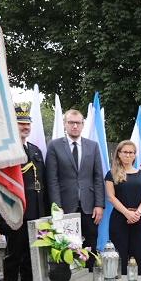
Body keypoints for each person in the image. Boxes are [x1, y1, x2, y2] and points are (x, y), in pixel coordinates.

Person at [3, 105, 48, 281]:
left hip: (36, 210)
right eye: (21, 123)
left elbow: (43, 183)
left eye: (28, 123)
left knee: (32, 254)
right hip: (17, 210)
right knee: (15, 254)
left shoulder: (35, 150)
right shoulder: (7, 151)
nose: (26, 127)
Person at [46, 109, 104, 270]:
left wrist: (99, 204)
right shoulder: (54, 146)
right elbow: (52, 179)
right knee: (66, 245)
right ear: (64, 124)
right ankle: (67, 278)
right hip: (65, 205)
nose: (75, 126)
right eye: (71, 122)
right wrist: (57, 206)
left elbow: (98, 176)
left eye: (78, 123)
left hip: (89, 206)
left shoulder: (92, 146)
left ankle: (90, 276)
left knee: (90, 243)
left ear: (83, 125)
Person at [105, 140, 141, 275]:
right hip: (119, 218)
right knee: (120, 252)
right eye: (125, 152)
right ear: (119, 154)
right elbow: (110, 197)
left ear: (135, 155)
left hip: (138, 218)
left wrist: (138, 213)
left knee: (138, 252)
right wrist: (127, 213)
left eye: (131, 153)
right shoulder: (111, 174)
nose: (128, 155)